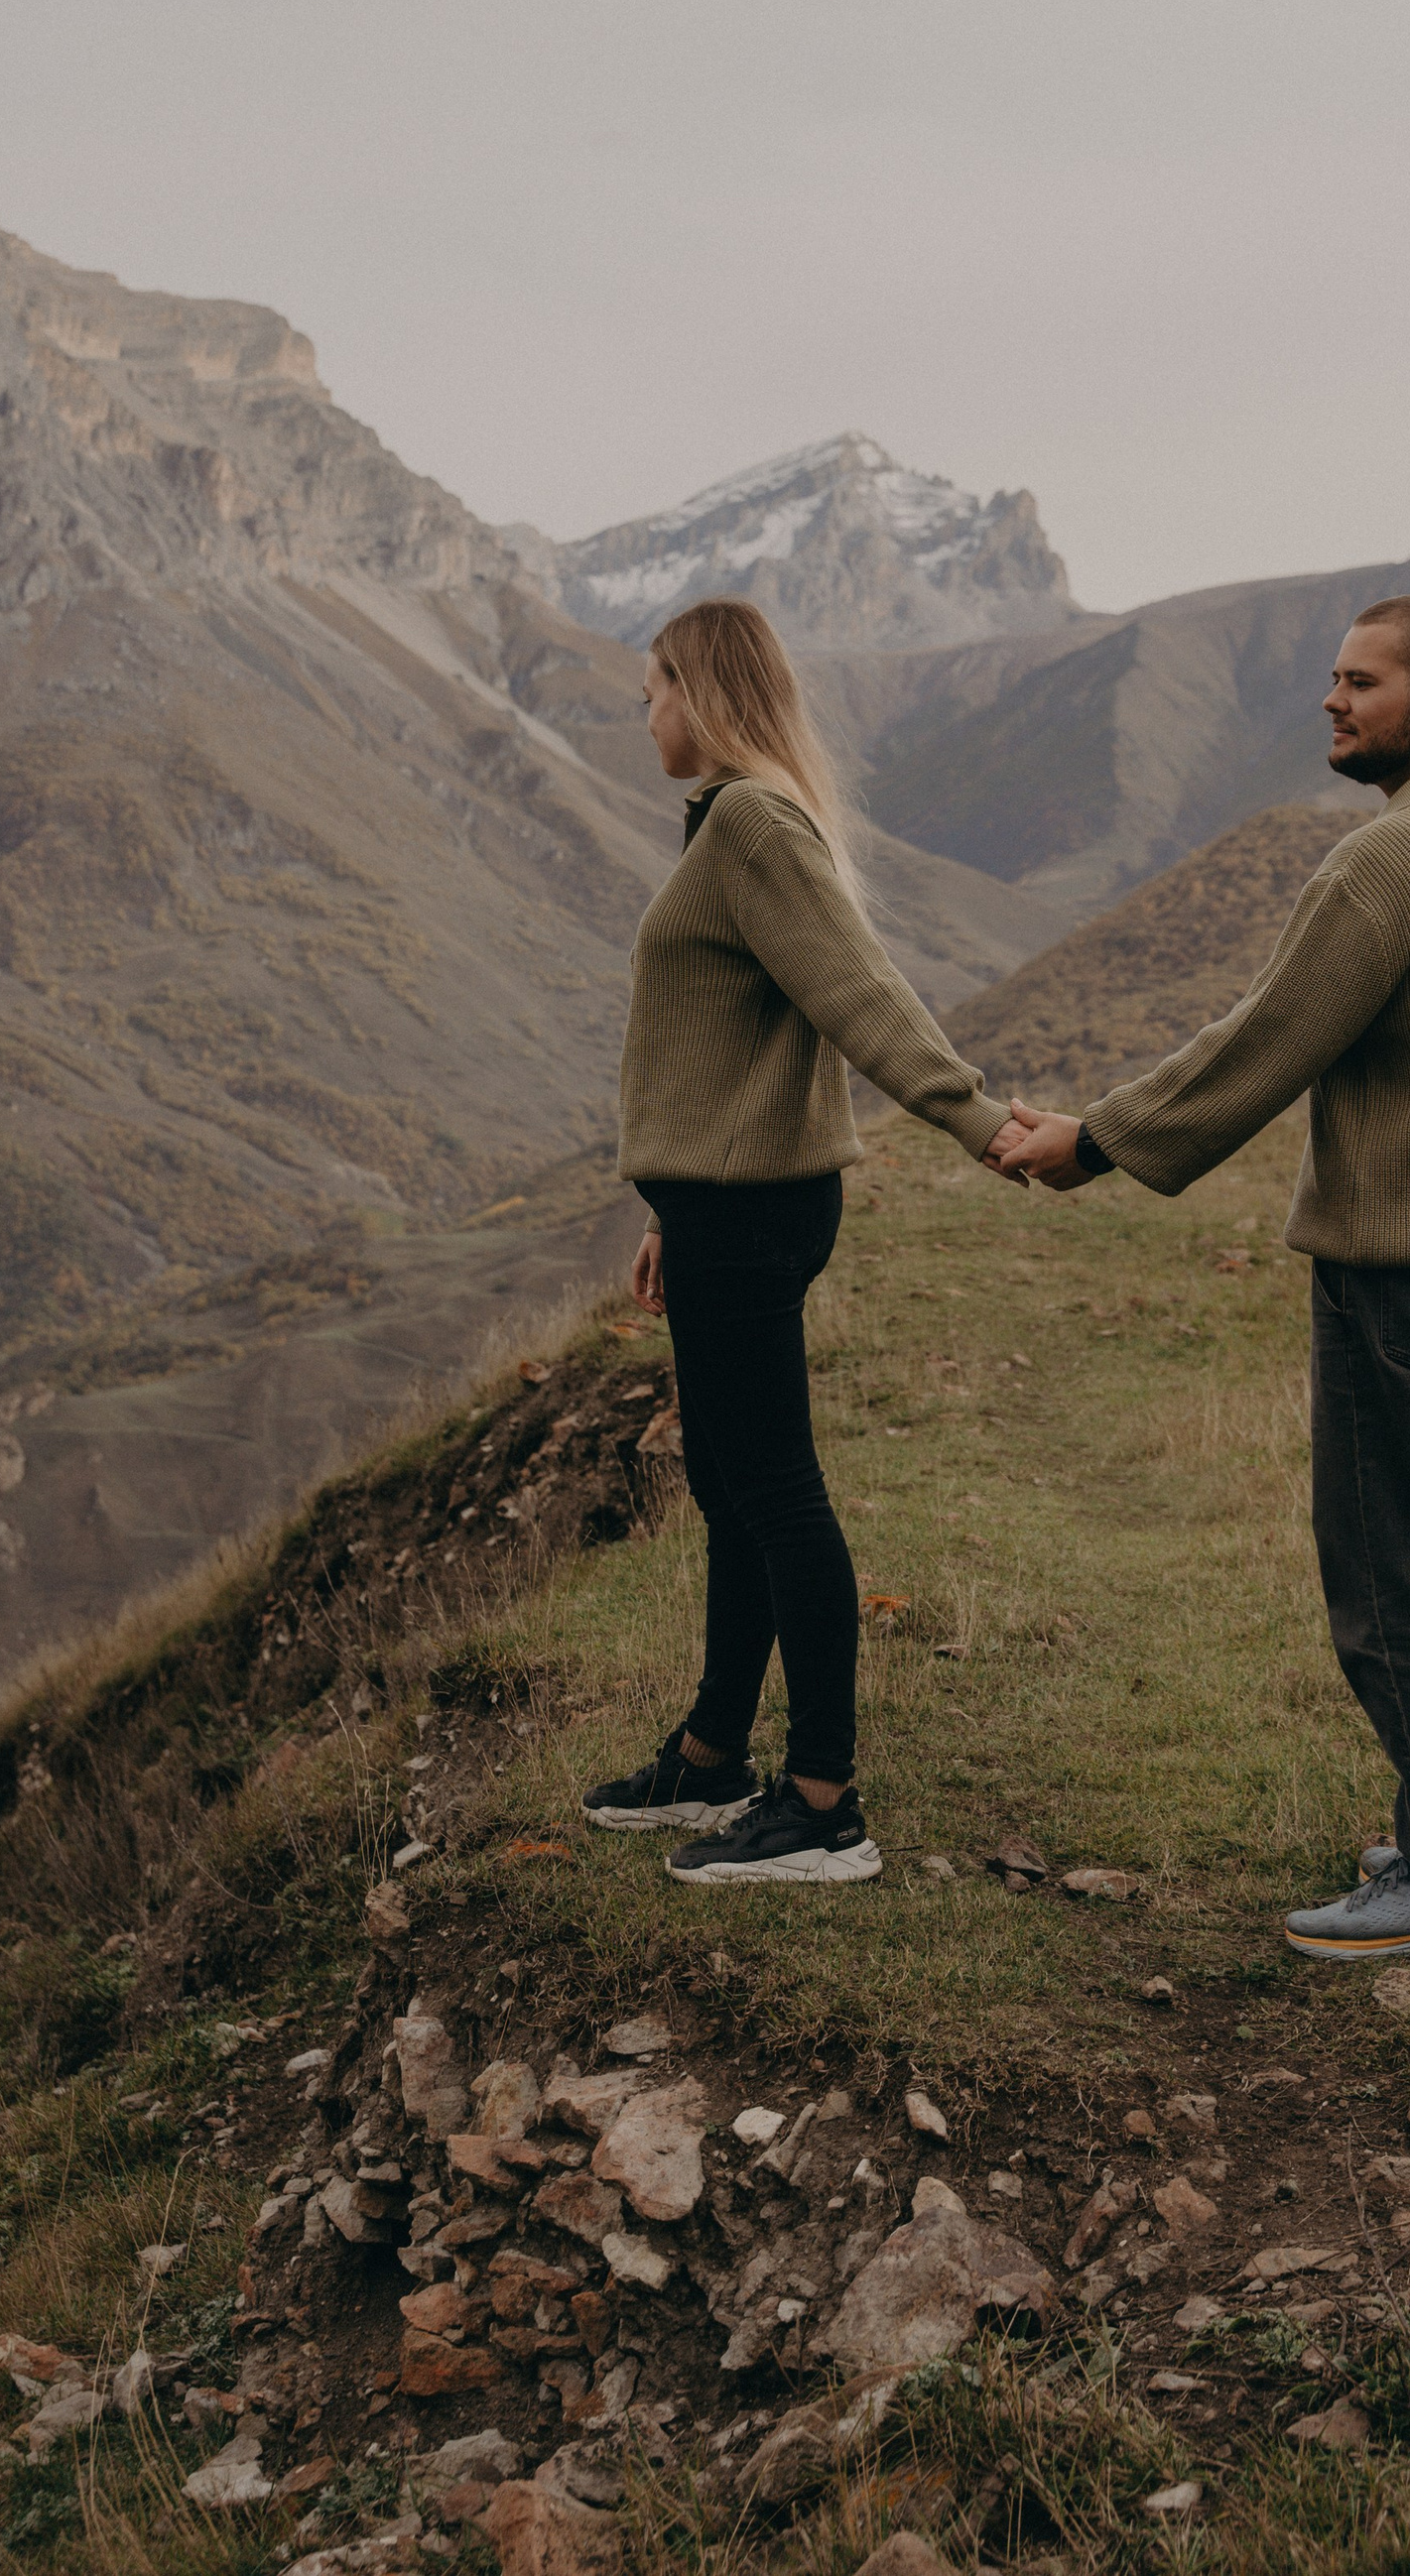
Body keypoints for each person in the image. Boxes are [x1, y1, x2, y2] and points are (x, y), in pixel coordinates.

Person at [996, 597, 1410, 1964]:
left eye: (1361, 682)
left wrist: (1090, 1141)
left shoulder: (1398, 861)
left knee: (1391, 1579)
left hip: (1407, 1279)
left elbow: (1263, 1040)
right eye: (1332, 677)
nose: (1333, 702)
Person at [583, 594, 1025, 1887]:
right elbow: (723, 1040)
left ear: (704, 692)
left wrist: (978, 1119)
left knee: (774, 1491)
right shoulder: (734, 824)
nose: (645, 712)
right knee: (731, 1485)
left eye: (655, 686)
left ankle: (825, 1800)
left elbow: (858, 994)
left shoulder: (753, 825)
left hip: (754, 1209)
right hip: (721, 1204)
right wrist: (672, 1209)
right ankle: (714, 1752)